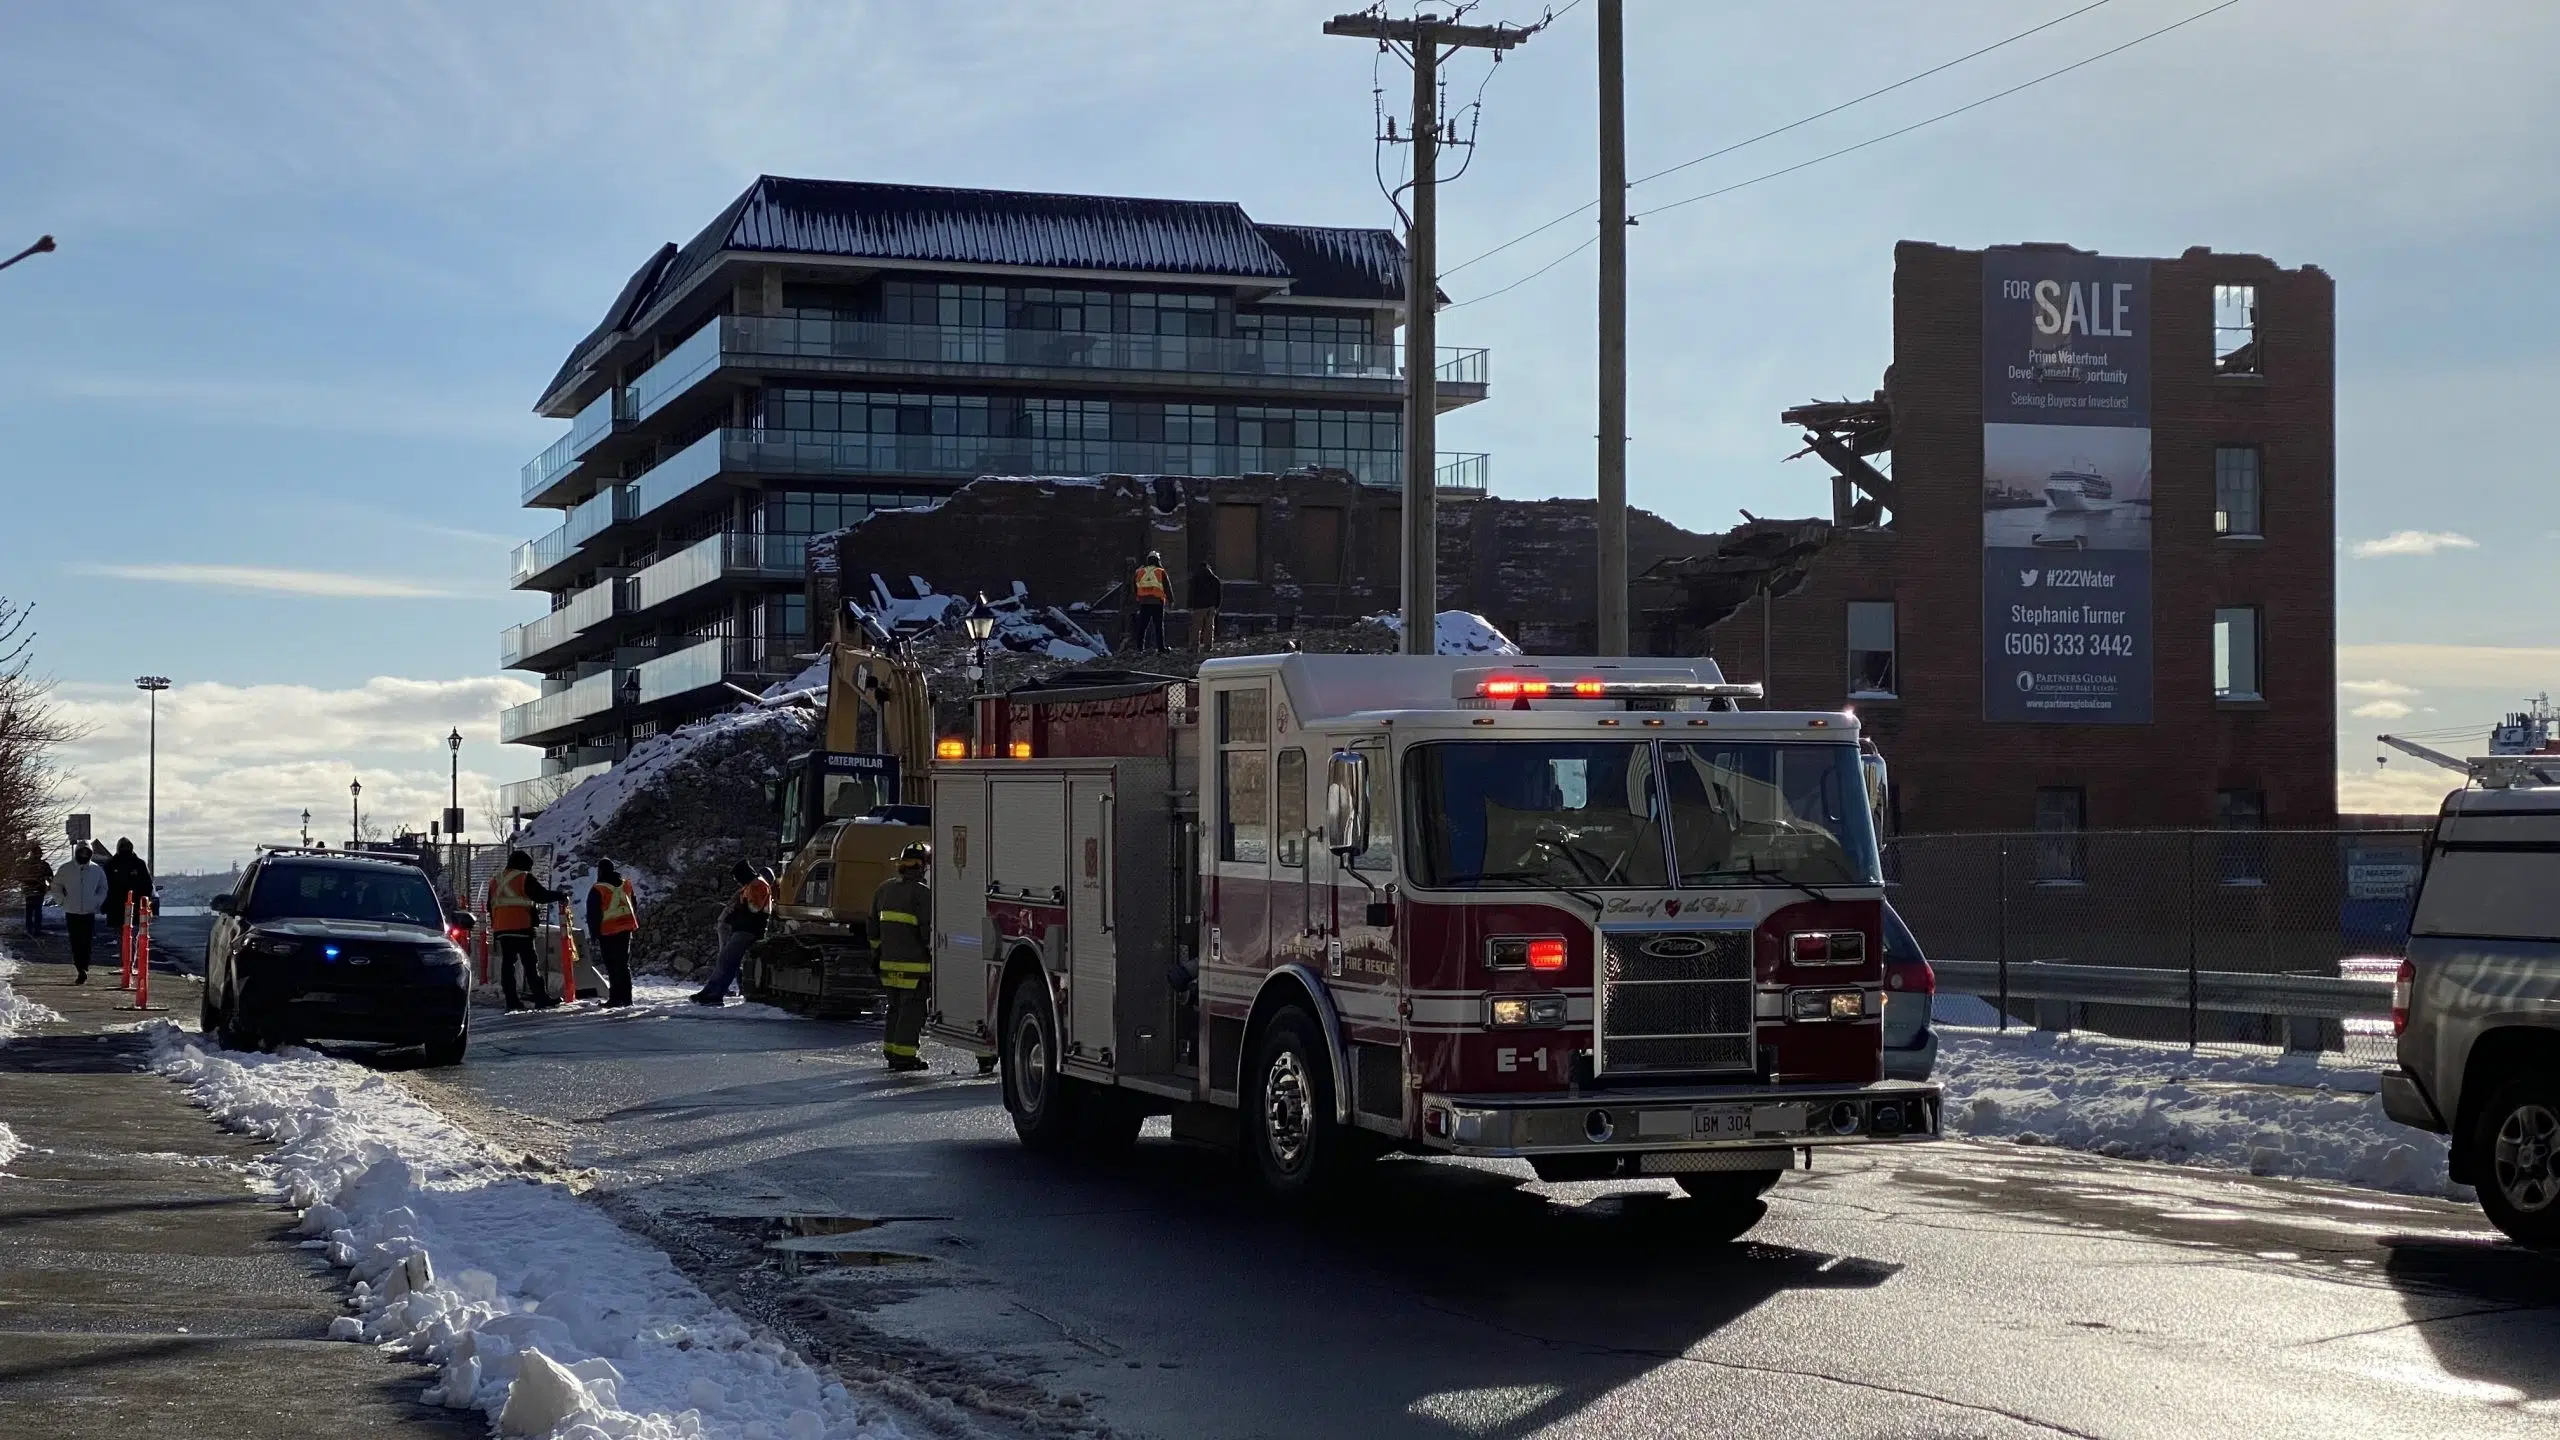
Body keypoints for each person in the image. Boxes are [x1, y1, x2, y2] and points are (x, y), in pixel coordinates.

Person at [870, 843, 932, 1072]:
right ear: (923, 866)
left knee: (894, 1008)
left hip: (887, 964)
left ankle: (891, 1051)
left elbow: (873, 928)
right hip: (915, 968)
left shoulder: (884, 890)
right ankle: (904, 1056)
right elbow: (927, 932)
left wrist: (877, 953)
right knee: (912, 1011)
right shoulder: (922, 894)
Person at [486, 850, 566, 1010]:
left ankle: (512, 1001)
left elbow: (490, 905)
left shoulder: (495, 880)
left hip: (502, 929)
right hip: (521, 927)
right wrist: (560, 895)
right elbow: (541, 896)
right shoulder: (524, 877)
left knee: (507, 966)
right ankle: (540, 997)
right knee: (530, 964)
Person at [691, 859, 773, 1005]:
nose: (737, 882)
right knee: (726, 960)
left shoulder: (758, 885)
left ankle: (714, 994)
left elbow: (754, 909)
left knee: (727, 960)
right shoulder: (751, 885)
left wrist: (737, 912)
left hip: (749, 930)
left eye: (737, 878)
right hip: (743, 929)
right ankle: (710, 991)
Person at [47, 843, 106, 984]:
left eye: (87, 853)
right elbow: (56, 886)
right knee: (75, 941)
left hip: (88, 911)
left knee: (87, 941)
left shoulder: (96, 870)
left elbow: (103, 888)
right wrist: (62, 901)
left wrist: (96, 901)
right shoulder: (66, 868)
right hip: (72, 910)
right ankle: (79, 967)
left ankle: (84, 967)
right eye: (82, 852)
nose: (84, 855)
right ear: (77, 852)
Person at [584, 858, 639, 1009]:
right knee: (623, 964)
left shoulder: (598, 888)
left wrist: (594, 934)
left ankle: (615, 998)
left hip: (608, 931)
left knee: (612, 965)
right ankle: (627, 999)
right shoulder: (624, 885)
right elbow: (634, 905)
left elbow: (593, 914)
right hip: (626, 929)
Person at [103, 838, 151, 938]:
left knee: (132, 937)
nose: (125, 849)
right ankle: (124, 953)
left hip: (135, 906)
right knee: (121, 937)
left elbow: (147, 885)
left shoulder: (139, 864)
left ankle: (130, 953)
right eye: (123, 847)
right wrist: (105, 904)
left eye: (127, 847)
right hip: (116, 908)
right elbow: (104, 886)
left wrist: (145, 903)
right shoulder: (111, 865)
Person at [1130, 550, 1170, 654]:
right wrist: (1171, 600)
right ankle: (1161, 648)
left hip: (1144, 603)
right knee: (1158, 627)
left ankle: (1139, 648)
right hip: (1157, 602)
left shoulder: (1140, 572)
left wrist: (1137, 598)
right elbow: (1167, 587)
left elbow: (1134, 586)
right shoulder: (1160, 571)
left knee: (1142, 626)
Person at [1186, 560, 1221, 651]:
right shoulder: (1214, 579)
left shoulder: (1195, 578)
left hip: (1198, 607)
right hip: (1211, 606)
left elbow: (1192, 592)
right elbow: (1219, 594)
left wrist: (1190, 605)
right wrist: (1217, 606)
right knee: (1209, 628)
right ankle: (1208, 646)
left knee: (1196, 628)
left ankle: (1194, 647)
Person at [18, 843, 52, 938]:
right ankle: (36, 930)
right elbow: (50, 877)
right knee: (37, 911)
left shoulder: (25, 864)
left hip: (30, 891)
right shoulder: (43, 865)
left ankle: (30, 930)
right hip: (38, 890)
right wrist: (49, 885)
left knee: (30, 911)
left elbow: (19, 877)